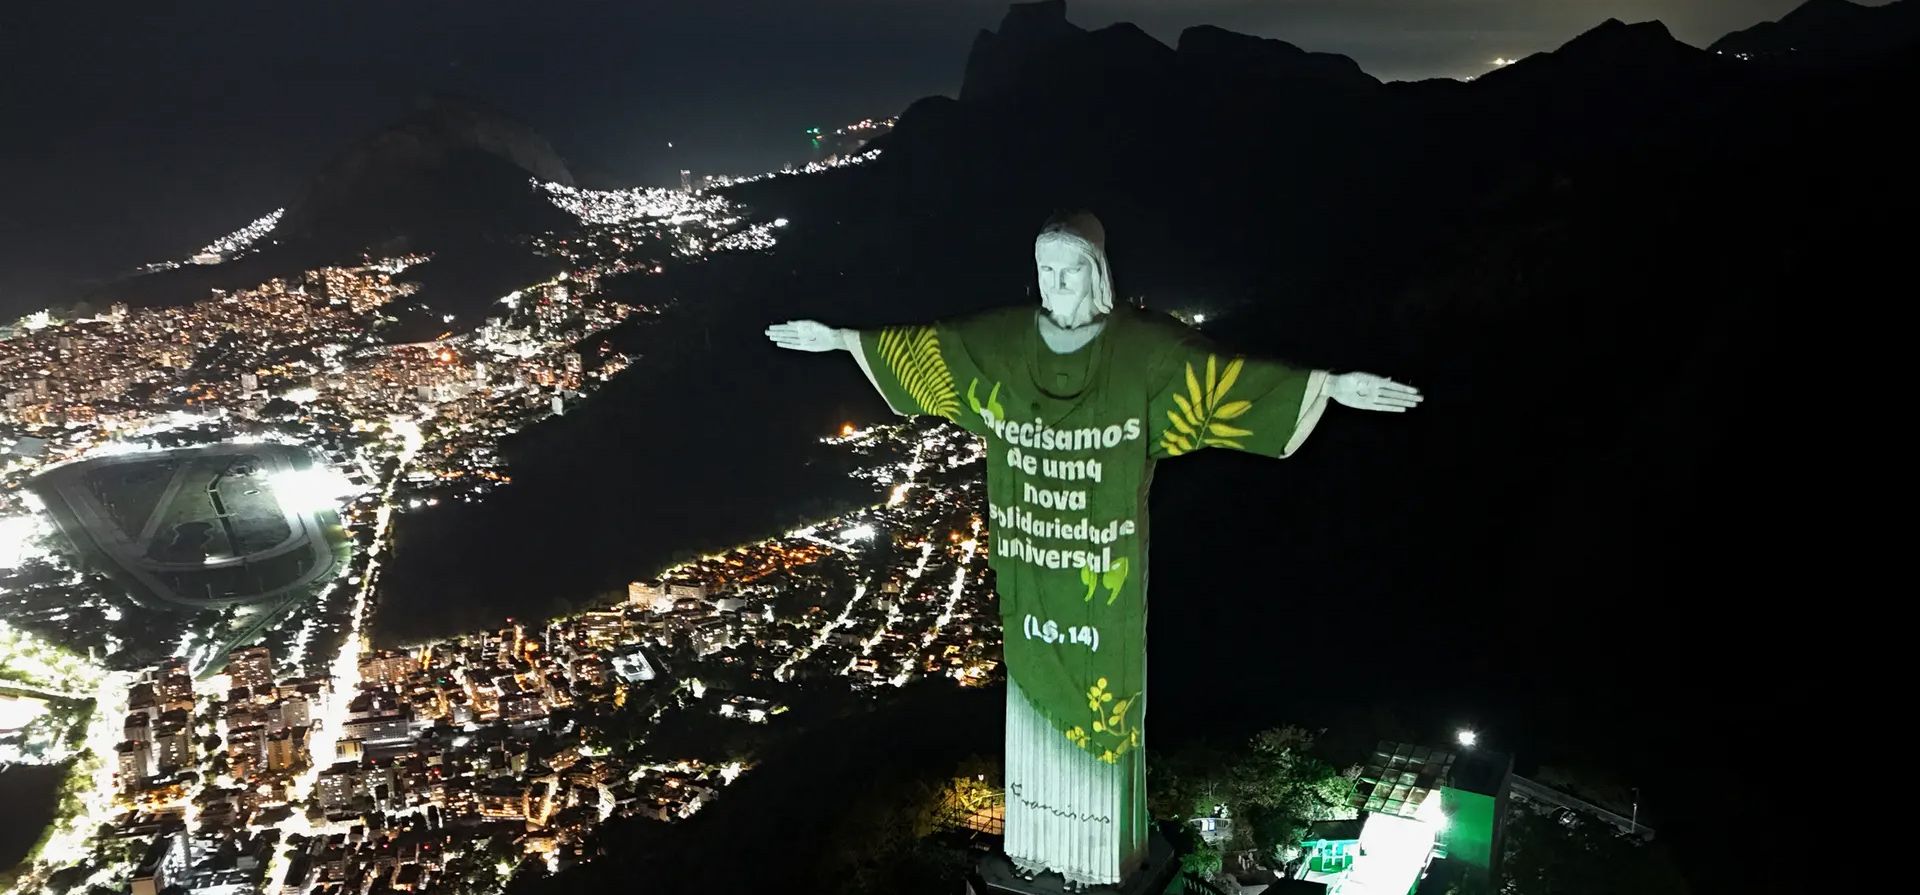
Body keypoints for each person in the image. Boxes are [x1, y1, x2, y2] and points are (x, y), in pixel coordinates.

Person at [766, 210, 1420, 889]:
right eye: (1045, 269)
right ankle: (1036, 851)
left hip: (1098, 574)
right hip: (1031, 566)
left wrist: (1328, 386)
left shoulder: (1139, 349)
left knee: (1106, 704)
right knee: (1028, 695)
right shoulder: (1007, 341)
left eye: (1069, 269)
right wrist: (844, 340)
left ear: (1097, 272)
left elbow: (1221, 375)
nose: (1056, 283)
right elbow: (940, 347)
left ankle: (1101, 856)